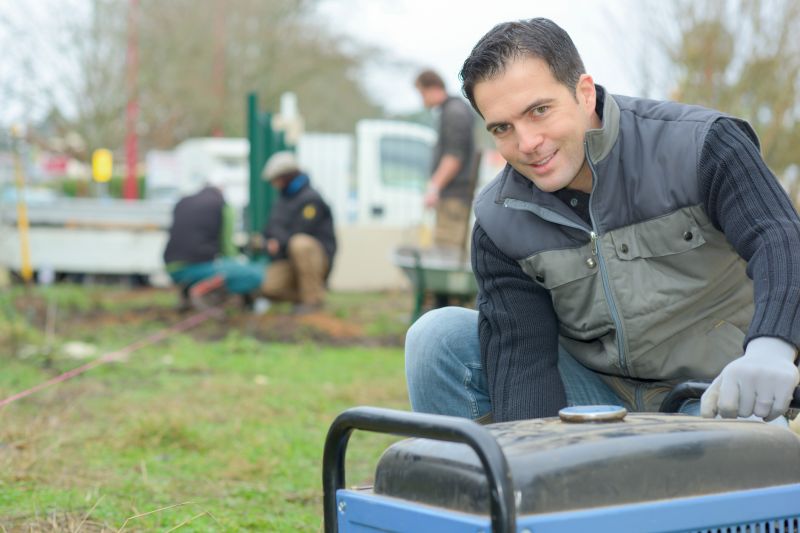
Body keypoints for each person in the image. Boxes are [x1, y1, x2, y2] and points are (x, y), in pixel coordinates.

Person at [405, 17, 800, 424]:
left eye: (539, 111)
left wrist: (771, 348)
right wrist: (532, 464)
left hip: (712, 394)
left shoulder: (702, 146)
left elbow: (780, 238)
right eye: (503, 128)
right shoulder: (498, 220)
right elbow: (522, 363)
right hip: (592, 398)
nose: (527, 144)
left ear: (584, 92)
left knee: (747, 445)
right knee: (437, 338)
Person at [257, 151, 336, 313]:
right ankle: (302, 295)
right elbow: (270, 228)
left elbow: (301, 231)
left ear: (286, 176)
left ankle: (313, 301)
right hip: (288, 260)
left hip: (314, 259)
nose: (274, 184)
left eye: (276, 179)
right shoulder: (281, 201)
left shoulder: (311, 200)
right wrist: (265, 241)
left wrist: (278, 243)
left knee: (299, 243)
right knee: (266, 287)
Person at [163, 183, 263, 310]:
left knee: (210, 264)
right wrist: (236, 262)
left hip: (171, 267)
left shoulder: (183, 202)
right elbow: (227, 247)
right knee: (254, 273)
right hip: (195, 267)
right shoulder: (222, 206)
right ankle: (202, 292)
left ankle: (188, 290)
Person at [414, 69, 478, 254]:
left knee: (447, 249)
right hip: (454, 195)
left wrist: (434, 187)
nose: (422, 100)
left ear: (433, 88)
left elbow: (453, 156)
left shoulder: (454, 113)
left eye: (422, 93)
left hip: (454, 197)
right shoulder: (452, 110)